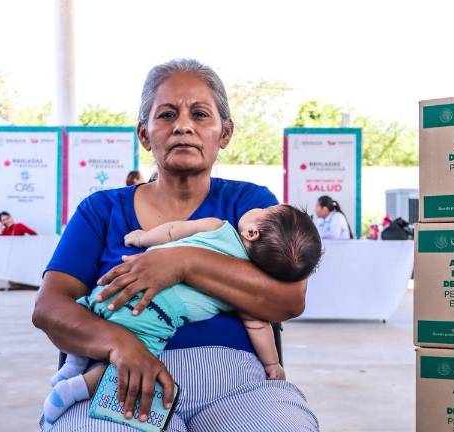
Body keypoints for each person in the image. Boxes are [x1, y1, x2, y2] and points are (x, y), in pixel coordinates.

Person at [32, 58, 319, 431]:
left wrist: (184, 263)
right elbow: (49, 307)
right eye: (167, 115)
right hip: (126, 378)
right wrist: (122, 345)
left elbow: (289, 299)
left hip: (236, 383)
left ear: (225, 133)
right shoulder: (101, 210)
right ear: (145, 134)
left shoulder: (250, 205)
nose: (183, 125)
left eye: (200, 114)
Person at [42, 204, 321, 427]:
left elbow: (173, 231)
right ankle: (77, 388)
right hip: (152, 329)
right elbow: (258, 324)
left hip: (132, 305)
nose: (185, 129)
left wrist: (143, 239)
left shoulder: (219, 226)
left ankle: (73, 369)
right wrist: (272, 364)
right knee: (122, 365)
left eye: (264, 212)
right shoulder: (248, 282)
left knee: (93, 309)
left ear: (251, 233)